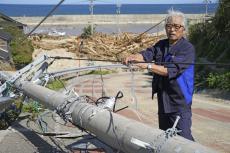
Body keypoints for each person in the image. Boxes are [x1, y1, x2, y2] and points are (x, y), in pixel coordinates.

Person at [123, 10, 195, 141]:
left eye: (176, 26)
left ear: (183, 29)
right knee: (165, 138)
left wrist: (148, 66)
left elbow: (169, 70)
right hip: (163, 101)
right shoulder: (161, 45)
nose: (172, 29)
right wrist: (135, 57)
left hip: (179, 103)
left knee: (184, 139)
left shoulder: (187, 48)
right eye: (169, 26)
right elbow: (147, 54)